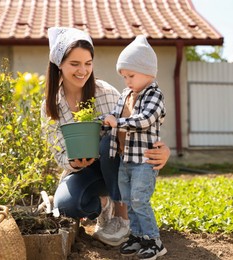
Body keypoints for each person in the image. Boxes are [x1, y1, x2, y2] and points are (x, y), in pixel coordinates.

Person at [40, 27, 170, 247]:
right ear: (58, 64)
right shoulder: (50, 106)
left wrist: (163, 150)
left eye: (88, 63)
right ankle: (103, 203)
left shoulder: (106, 92)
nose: (83, 70)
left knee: (109, 139)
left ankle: (122, 214)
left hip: (116, 164)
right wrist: (71, 161)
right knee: (65, 206)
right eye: (75, 64)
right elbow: (59, 152)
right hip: (84, 170)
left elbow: (138, 124)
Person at [102, 35, 167, 259]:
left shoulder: (154, 95)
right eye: (124, 76)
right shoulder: (125, 95)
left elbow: (144, 120)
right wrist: (107, 119)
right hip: (125, 158)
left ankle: (153, 241)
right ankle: (138, 236)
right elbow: (114, 117)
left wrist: (116, 122)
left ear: (148, 73)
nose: (127, 81)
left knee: (140, 199)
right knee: (129, 200)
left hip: (144, 160)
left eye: (131, 75)